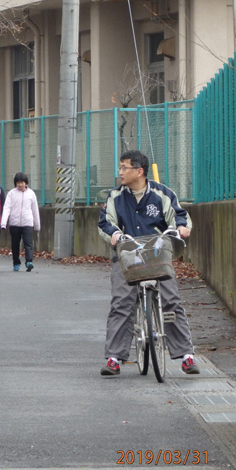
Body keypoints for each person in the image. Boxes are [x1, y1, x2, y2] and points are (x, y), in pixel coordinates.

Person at [98, 149, 199, 376]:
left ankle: (186, 355)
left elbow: (179, 216)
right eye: (120, 167)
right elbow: (105, 222)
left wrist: (182, 229)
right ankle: (114, 357)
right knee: (121, 303)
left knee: (171, 300)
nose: (120, 172)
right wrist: (114, 235)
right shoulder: (115, 197)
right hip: (127, 255)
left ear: (139, 171)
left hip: (157, 254)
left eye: (124, 167)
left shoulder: (162, 194)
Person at [0, 172, 40, 272]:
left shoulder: (31, 194)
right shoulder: (11, 193)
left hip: (28, 223)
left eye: (22, 182)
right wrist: (3, 222)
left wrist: (37, 225)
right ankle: (16, 262)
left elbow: (35, 210)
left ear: (25, 182)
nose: (20, 184)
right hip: (14, 223)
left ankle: (29, 261)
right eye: (18, 182)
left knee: (28, 243)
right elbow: (6, 208)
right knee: (15, 244)